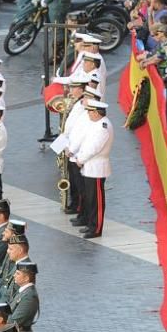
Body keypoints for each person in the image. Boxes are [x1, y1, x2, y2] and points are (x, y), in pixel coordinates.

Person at [71, 99, 114, 238]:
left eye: (90, 111)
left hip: (97, 168)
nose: (88, 113)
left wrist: (80, 159)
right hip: (90, 167)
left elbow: (94, 147)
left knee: (96, 201)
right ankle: (91, 224)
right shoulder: (95, 124)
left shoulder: (103, 126)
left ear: (96, 112)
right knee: (90, 199)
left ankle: (96, 228)